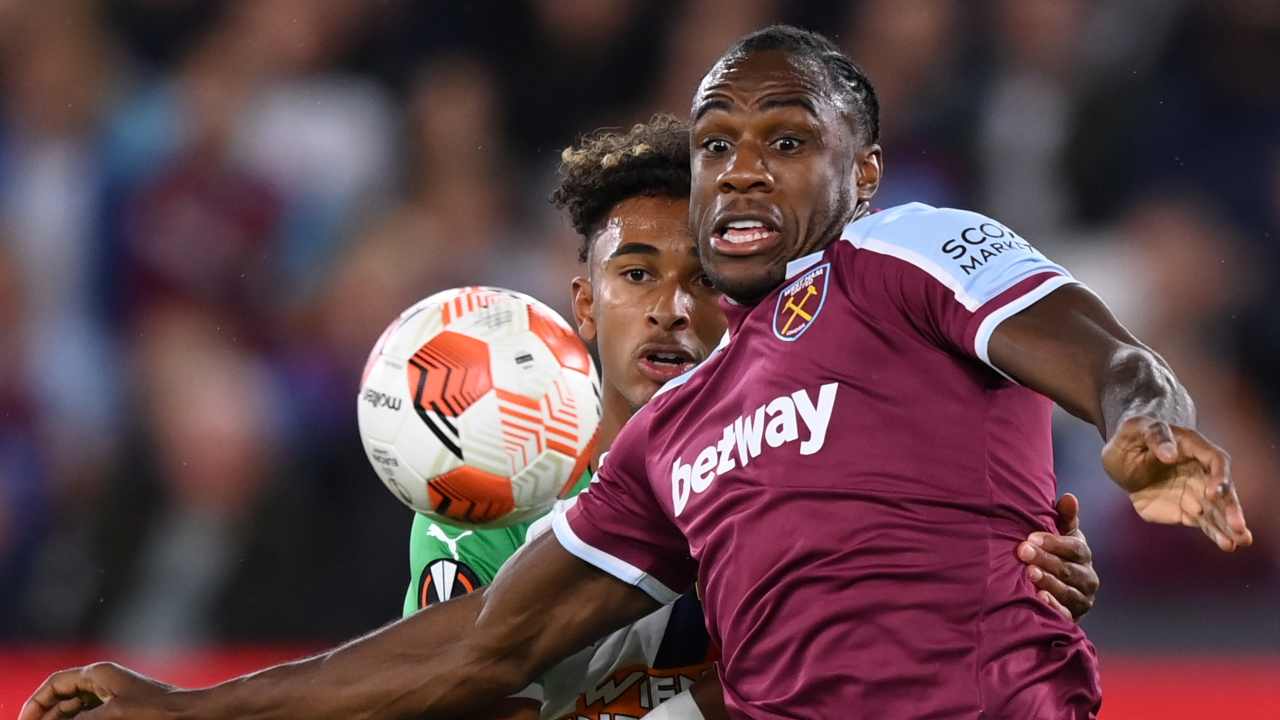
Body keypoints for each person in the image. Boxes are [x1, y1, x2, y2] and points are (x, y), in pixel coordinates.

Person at [23, 25, 1250, 720]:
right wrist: (183, 711)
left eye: (784, 140)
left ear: (862, 177)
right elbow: (474, 650)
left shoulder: (900, 252)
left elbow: (1101, 351)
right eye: (718, 146)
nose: (743, 172)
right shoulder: (672, 442)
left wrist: (1141, 423)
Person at [405, 116, 1099, 720]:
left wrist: (1021, 570)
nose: (672, 311)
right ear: (586, 304)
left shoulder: (806, 469)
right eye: (638, 275)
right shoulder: (495, 489)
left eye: (703, 279)